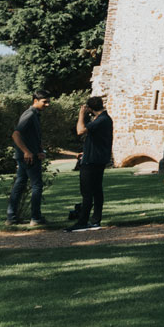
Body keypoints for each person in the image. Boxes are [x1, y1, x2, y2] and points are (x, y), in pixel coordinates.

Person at [69, 97, 114, 232]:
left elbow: (80, 130)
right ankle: (95, 220)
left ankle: (83, 221)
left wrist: (81, 115)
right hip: (97, 158)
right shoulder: (105, 119)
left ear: (90, 108)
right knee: (96, 191)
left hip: (92, 161)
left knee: (87, 191)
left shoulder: (101, 120)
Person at [5, 91, 49, 226]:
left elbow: (34, 137)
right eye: (44, 102)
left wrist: (40, 150)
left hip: (30, 155)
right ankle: (35, 218)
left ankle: (11, 218)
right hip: (28, 158)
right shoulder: (29, 114)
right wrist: (27, 152)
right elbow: (16, 134)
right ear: (35, 100)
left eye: (48, 102)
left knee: (20, 184)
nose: (47, 105)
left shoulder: (35, 115)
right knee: (37, 185)